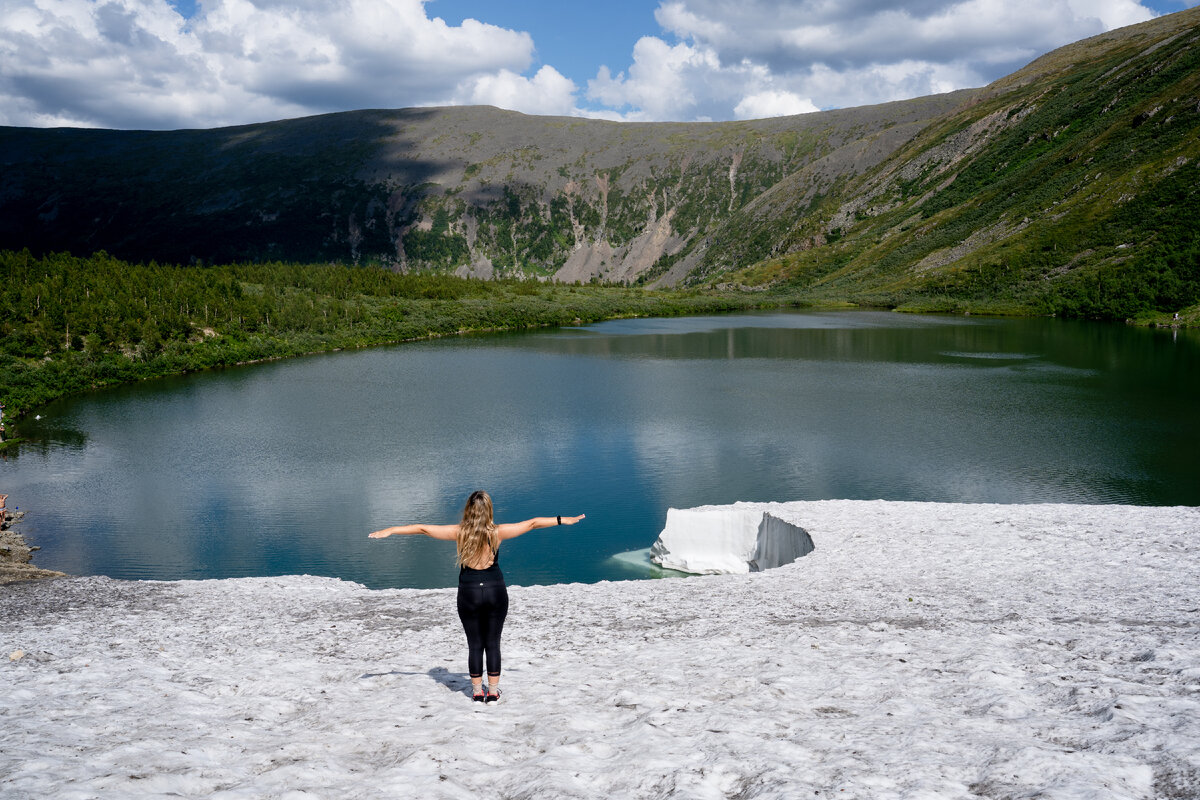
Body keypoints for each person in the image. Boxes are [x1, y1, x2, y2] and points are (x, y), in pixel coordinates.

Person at [369, 491, 584, 703]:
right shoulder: (497, 533)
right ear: (489, 510)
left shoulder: (459, 532)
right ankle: (492, 692)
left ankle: (476, 691)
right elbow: (533, 523)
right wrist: (562, 520)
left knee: (474, 645)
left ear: (468, 511)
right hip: (494, 590)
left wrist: (391, 530)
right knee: (492, 643)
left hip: (469, 592)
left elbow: (423, 529)